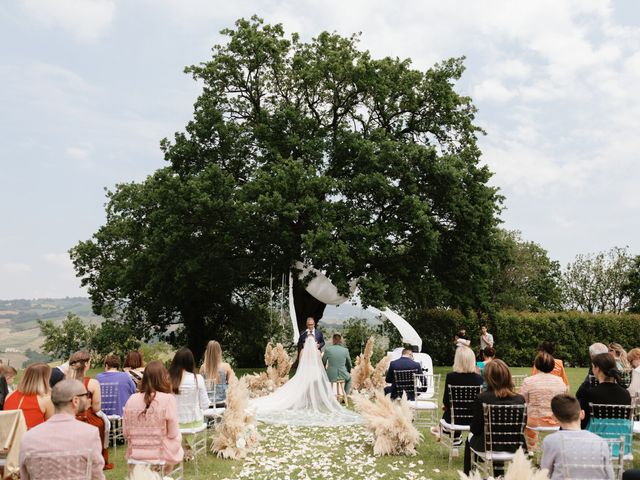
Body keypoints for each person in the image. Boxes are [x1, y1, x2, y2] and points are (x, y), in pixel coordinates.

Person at [250, 335, 360, 426]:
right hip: (316, 373)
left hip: (306, 372)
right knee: (318, 381)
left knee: (304, 384)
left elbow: (301, 364)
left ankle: (307, 398)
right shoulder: (317, 352)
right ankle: (332, 397)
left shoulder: (302, 351)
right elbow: (320, 364)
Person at [18, 379, 105, 480]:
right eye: (86, 395)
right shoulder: (89, 433)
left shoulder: (28, 437)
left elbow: (24, 475)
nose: (88, 398)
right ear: (75, 401)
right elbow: (97, 475)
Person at [463, 359, 526, 476]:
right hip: (514, 446)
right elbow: (521, 427)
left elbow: (475, 429)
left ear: (487, 378)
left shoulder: (482, 398)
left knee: (469, 438)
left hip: (488, 446)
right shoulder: (520, 399)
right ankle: (498, 475)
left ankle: (468, 476)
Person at [123, 360, 183, 470]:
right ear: (164, 378)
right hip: (161, 454)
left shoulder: (131, 399)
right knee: (177, 436)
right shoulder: (168, 399)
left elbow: (126, 433)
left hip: (136, 454)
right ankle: (164, 475)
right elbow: (172, 434)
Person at [541, 394, 614, 480]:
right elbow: (609, 476)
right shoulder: (601, 442)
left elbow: (545, 473)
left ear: (554, 418)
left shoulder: (551, 441)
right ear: (582, 414)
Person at [68, 351, 112, 469]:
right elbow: (97, 407)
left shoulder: (65, 383)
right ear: (86, 364)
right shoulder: (93, 383)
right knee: (102, 423)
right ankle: (97, 458)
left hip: (70, 418)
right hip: (88, 417)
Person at [431, 346, 482, 444]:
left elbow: (446, 401)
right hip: (473, 419)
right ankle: (451, 436)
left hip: (454, 419)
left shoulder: (451, 377)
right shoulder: (478, 378)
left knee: (448, 411)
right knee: (452, 410)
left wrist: (445, 406)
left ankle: (444, 431)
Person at [519, 351, 568, 449]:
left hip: (533, 422)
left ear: (536, 365)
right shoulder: (560, 381)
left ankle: (531, 447)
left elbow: (522, 401)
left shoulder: (528, 381)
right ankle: (533, 447)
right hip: (556, 422)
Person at [578, 352, 631, 429]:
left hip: (596, 436)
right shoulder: (625, 393)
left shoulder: (591, 393)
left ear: (597, 369)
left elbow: (583, 420)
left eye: (592, 367)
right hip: (621, 436)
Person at [3, 363, 54, 429]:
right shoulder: (46, 399)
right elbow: (51, 425)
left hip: (9, 437)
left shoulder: (9, 395)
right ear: (45, 378)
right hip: (32, 437)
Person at [199, 340, 236, 406]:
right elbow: (232, 386)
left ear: (207, 352)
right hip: (222, 402)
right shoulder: (226, 366)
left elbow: (200, 388)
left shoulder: (202, 368)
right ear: (219, 352)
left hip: (207, 404)